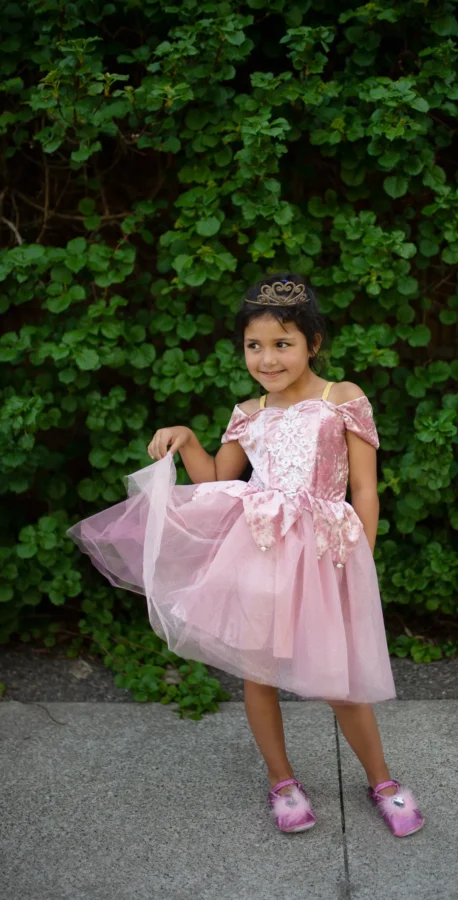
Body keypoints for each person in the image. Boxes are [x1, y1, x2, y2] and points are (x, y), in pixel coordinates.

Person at [67, 274, 424, 837]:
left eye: (283, 344)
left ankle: (381, 779)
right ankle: (282, 782)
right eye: (254, 346)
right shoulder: (249, 413)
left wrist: (361, 559)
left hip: (325, 553)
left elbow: (366, 490)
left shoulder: (343, 399)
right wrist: (187, 438)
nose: (267, 358)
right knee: (258, 675)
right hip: (259, 554)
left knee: (339, 681)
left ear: (313, 344)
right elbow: (215, 476)